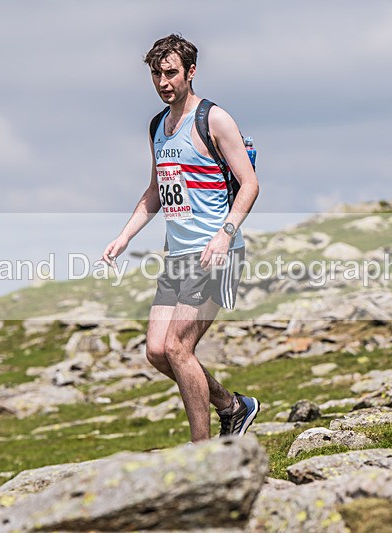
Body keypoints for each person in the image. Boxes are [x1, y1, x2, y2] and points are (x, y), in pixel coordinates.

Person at [102, 34, 260, 443]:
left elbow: (249, 184)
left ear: (191, 72)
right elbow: (156, 191)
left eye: (171, 72)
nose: (163, 81)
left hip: (215, 254)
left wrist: (225, 235)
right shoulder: (158, 125)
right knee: (157, 350)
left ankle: (201, 453)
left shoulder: (214, 119)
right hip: (178, 258)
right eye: (156, 73)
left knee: (177, 346)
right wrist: (123, 237)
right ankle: (232, 406)